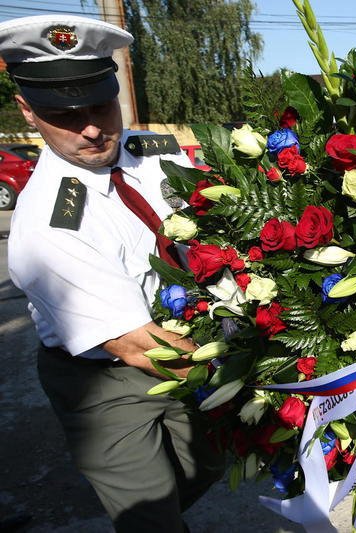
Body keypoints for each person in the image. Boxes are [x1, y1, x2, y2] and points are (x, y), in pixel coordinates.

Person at [1, 15, 225, 532]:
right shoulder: (47, 227)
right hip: (105, 380)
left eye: (101, 105)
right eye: (64, 113)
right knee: (151, 518)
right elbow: (138, 347)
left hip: (188, 342)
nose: (92, 128)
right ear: (28, 110)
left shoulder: (153, 152)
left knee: (211, 463)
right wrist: (261, 377)